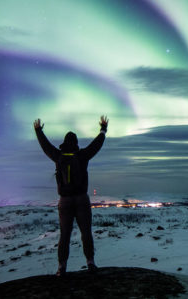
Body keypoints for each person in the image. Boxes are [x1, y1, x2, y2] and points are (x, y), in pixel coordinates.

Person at [34, 115, 108, 276]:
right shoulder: (82, 155)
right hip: (82, 199)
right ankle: (90, 263)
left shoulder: (58, 156)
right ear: (75, 143)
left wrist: (38, 131)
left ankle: (62, 267)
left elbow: (45, 146)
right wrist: (103, 129)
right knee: (86, 232)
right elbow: (96, 145)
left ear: (64, 142)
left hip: (65, 201)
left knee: (64, 235)